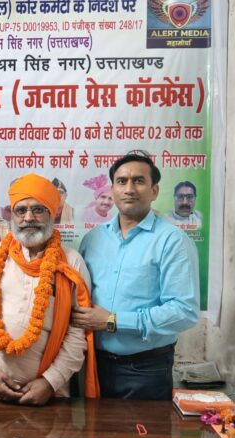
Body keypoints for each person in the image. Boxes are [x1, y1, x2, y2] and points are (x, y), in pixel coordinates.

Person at [0, 173, 99, 405]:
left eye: (38, 209)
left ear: (52, 213)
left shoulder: (71, 262)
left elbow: (77, 332)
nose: (28, 218)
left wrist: (50, 382)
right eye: (21, 210)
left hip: (51, 394)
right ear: (12, 216)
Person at [72, 152, 200, 400]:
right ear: (112, 190)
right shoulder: (93, 239)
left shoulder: (172, 241)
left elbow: (184, 311)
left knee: (143, 428)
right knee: (94, 427)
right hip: (93, 365)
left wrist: (113, 321)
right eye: (121, 181)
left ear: (154, 191)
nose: (129, 189)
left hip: (145, 370)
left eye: (138, 181)